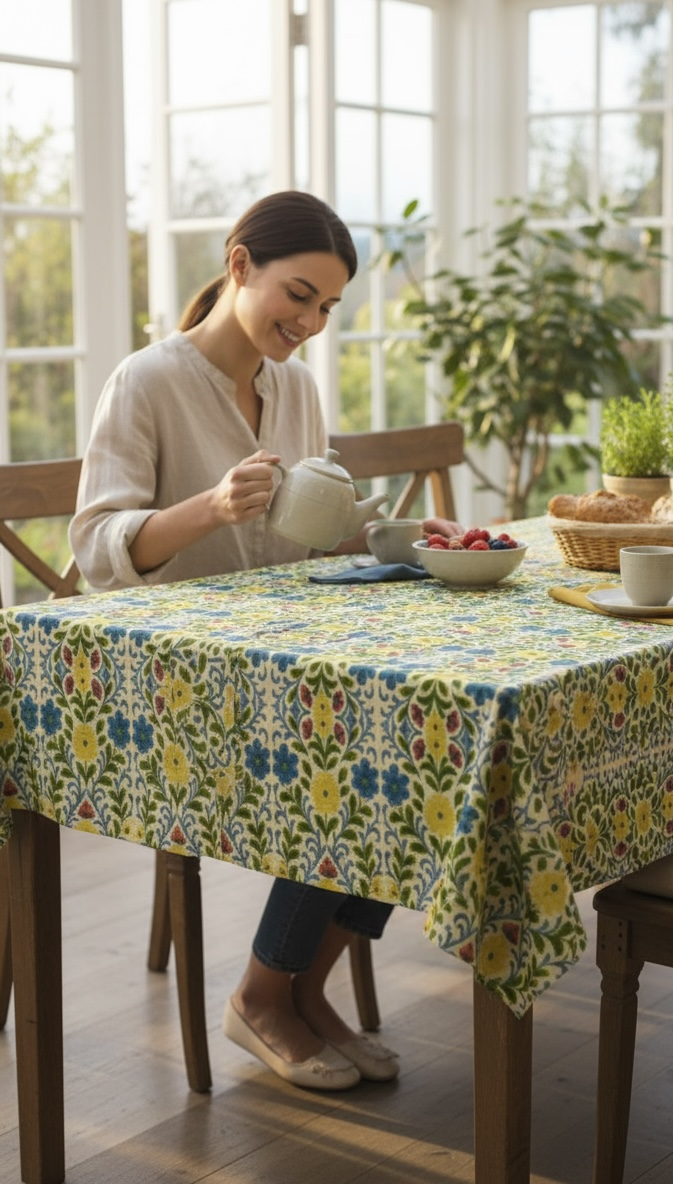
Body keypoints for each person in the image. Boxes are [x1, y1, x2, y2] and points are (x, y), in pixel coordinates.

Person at [69, 190, 462, 1092]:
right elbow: (94, 549)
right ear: (239, 265)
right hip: (172, 691)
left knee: (416, 746)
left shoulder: (296, 389)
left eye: (327, 307)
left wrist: (393, 539)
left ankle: (304, 991)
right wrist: (207, 505)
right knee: (357, 755)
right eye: (300, 295)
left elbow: (312, 532)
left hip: (286, 669)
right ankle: (259, 995)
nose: (311, 323)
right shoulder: (147, 380)